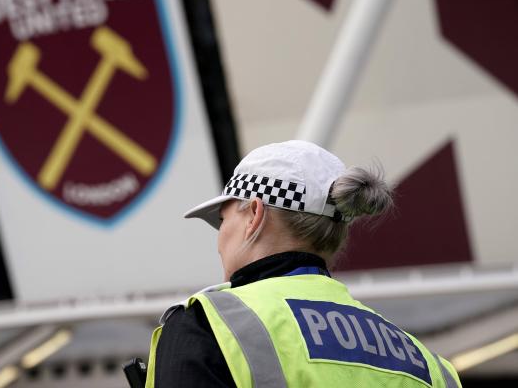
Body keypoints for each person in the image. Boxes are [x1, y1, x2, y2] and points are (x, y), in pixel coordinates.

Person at [144, 140, 462, 387]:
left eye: (222, 219)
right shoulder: (430, 366)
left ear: (254, 215)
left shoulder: (209, 325)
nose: (219, 239)